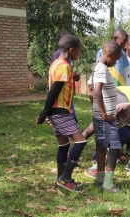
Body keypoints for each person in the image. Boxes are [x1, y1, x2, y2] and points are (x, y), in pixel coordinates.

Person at [35, 35, 86, 192]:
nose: (79, 53)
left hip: (57, 111)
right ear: (71, 50)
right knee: (80, 141)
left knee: (64, 145)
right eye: (79, 50)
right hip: (60, 111)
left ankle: (61, 178)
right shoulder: (64, 66)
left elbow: (58, 86)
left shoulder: (55, 64)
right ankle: (65, 178)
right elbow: (54, 91)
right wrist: (44, 113)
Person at [88, 41, 123, 193]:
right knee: (115, 148)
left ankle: (100, 179)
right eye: (115, 59)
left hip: (100, 115)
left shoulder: (97, 66)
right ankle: (108, 184)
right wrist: (103, 112)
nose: (115, 63)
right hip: (106, 117)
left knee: (101, 147)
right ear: (109, 54)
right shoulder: (102, 68)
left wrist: (96, 106)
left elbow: (89, 88)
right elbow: (97, 91)